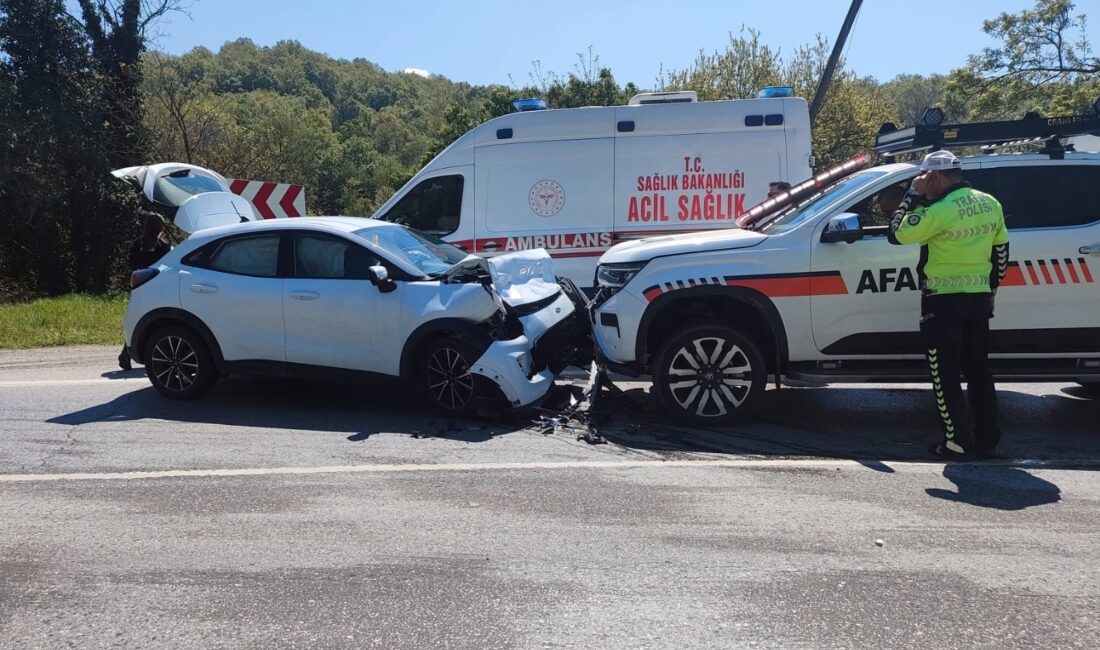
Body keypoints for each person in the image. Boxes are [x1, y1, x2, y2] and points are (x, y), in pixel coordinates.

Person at [887, 150, 1009, 460]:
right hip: (980, 298)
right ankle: (988, 438)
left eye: (924, 179)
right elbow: (1001, 251)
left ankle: (956, 442)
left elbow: (897, 233)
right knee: (980, 370)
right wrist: (993, 287)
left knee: (946, 375)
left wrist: (913, 194)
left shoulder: (939, 211)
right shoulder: (990, 202)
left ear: (935, 177)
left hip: (942, 301)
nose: (922, 184)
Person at [118, 211, 171, 370]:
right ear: (160, 228)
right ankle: (129, 354)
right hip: (157, 288)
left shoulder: (137, 245)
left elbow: (131, 265)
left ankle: (126, 355)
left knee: (141, 322)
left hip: (140, 287)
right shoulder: (164, 247)